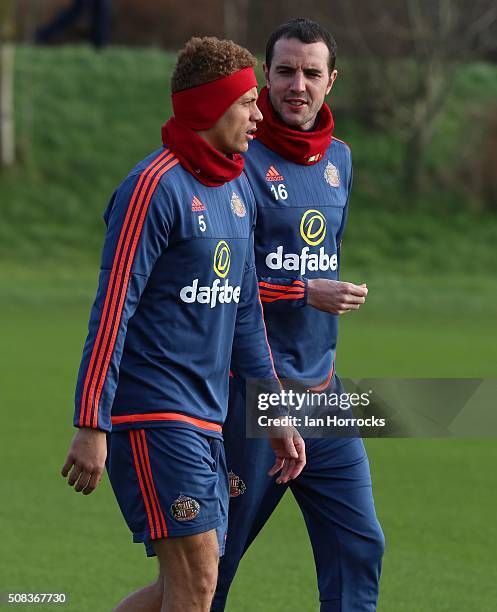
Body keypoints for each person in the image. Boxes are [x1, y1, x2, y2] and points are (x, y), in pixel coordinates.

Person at [60, 36, 305, 612]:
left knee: (186, 587)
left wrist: (273, 414)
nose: (257, 113)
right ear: (208, 107)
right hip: (152, 416)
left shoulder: (238, 189)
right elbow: (112, 309)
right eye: (246, 101)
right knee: (196, 585)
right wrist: (92, 423)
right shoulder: (152, 188)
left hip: (207, 419)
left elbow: (246, 319)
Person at [212, 19, 385, 612]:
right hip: (255, 394)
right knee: (211, 568)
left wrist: (317, 295)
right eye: (285, 71)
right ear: (267, 75)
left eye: (312, 73)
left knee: (360, 546)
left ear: (332, 80)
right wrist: (301, 292)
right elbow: (219, 279)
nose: (298, 85)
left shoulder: (341, 160)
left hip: (323, 392)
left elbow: (317, 258)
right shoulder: (237, 160)